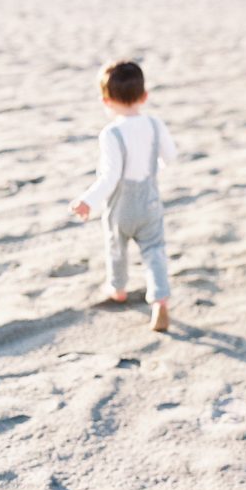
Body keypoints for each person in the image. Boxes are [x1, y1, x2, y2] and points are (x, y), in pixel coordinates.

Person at [69, 60, 177, 332]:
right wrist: (153, 171)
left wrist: (88, 201)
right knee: (154, 251)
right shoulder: (154, 125)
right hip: (150, 199)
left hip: (122, 204)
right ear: (144, 96)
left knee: (116, 245)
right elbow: (170, 157)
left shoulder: (112, 134)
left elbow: (110, 177)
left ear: (106, 100)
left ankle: (118, 289)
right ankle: (160, 301)